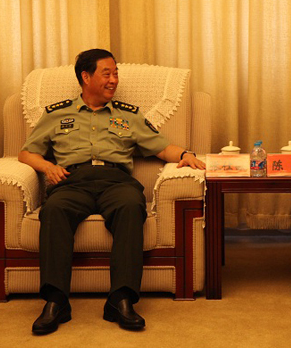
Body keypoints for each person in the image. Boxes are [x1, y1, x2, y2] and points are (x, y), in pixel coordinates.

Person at [19, 49, 205, 335]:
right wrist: (47, 167)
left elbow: (161, 147)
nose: (114, 80)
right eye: (106, 74)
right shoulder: (57, 114)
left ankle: (121, 300)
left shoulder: (128, 115)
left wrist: (185, 154)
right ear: (86, 77)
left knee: (131, 206)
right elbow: (26, 153)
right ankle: (56, 301)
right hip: (73, 180)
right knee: (54, 210)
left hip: (116, 181)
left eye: (116, 73)